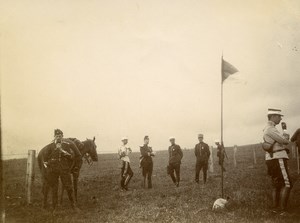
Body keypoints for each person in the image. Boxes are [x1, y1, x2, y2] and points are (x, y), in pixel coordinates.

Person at [40, 129, 82, 211]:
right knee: (54, 189)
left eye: (60, 136)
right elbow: (45, 160)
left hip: (64, 170)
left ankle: (74, 207)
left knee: (69, 187)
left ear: (62, 136)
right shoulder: (50, 146)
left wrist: (65, 153)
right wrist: (49, 164)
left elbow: (73, 158)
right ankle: (55, 208)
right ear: (54, 137)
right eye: (56, 136)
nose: (58, 137)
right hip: (53, 170)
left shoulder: (67, 145)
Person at [262, 108, 292, 214]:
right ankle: (282, 210)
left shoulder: (267, 128)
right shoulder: (271, 129)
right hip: (277, 158)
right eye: (279, 116)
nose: (280, 118)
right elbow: (285, 141)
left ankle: (275, 208)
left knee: (276, 184)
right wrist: (285, 131)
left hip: (271, 158)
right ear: (273, 116)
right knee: (287, 184)